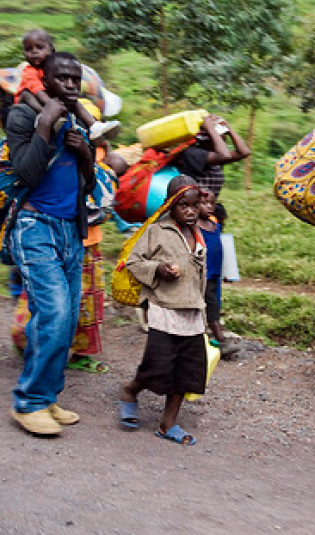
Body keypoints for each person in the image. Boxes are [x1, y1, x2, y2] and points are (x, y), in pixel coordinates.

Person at [6, 51, 97, 436]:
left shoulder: (76, 118)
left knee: (67, 318)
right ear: (43, 78)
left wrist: (85, 154)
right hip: (34, 227)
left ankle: (47, 396)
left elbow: (88, 185)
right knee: (55, 313)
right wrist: (45, 126)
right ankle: (29, 404)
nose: (71, 86)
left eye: (76, 79)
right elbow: (24, 174)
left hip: (70, 230)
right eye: (63, 78)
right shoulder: (23, 117)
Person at [10, 109, 130, 375]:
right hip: (49, 231)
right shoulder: (53, 141)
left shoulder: (94, 152)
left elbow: (99, 188)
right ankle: (36, 376)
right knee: (53, 305)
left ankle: (63, 357)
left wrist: (96, 147)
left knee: (76, 306)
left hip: (84, 238)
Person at [117, 175, 208, 446]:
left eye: (195, 205)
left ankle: (168, 423)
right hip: (164, 309)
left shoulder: (199, 233)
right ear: (170, 205)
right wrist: (158, 269)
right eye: (183, 206)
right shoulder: (156, 231)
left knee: (187, 371)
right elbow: (133, 261)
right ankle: (130, 391)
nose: (190, 211)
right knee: (157, 366)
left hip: (192, 312)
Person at [15, 29, 120, 142]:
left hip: (50, 99)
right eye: (28, 49)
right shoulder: (29, 72)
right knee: (26, 94)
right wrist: (52, 108)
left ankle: (94, 125)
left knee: (71, 98)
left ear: (52, 50)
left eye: (39, 47)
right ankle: (46, 115)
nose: (34, 52)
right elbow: (38, 91)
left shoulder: (52, 67)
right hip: (33, 101)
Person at [197, 187, 239, 359]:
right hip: (202, 275)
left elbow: (224, 248)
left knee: (214, 304)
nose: (209, 207)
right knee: (208, 306)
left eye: (212, 203)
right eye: (204, 203)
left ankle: (206, 339)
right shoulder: (194, 228)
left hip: (214, 274)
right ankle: (220, 340)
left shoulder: (215, 226)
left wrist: (228, 271)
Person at [173, 114, 251, 197]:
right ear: (205, 140)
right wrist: (210, 128)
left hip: (209, 206)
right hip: (194, 207)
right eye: (218, 137)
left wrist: (228, 128)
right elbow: (224, 155)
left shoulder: (215, 156)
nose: (223, 140)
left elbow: (244, 152)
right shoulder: (192, 153)